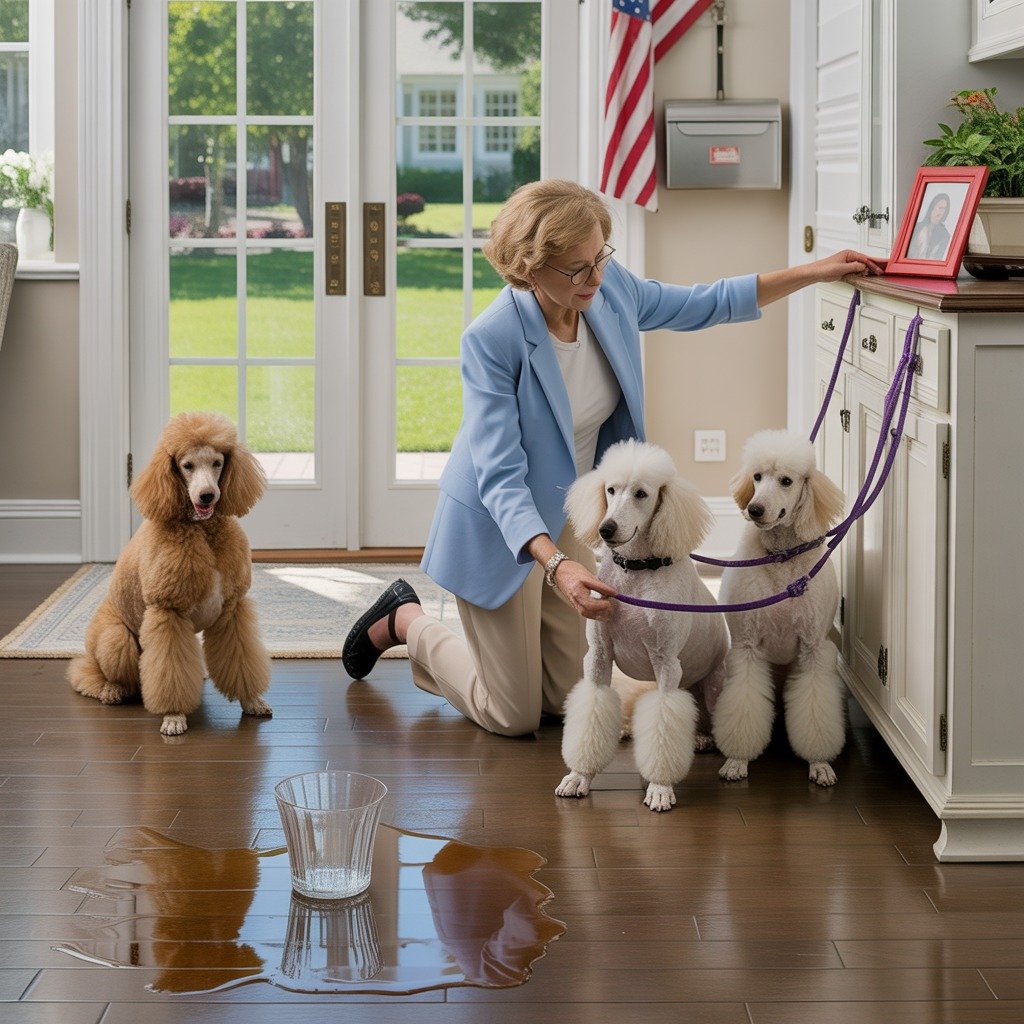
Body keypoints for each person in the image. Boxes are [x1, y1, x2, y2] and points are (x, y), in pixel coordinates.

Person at [342, 179, 883, 737]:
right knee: (514, 715)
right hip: (498, 527)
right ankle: (405, 620)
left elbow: (704, 302)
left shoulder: (608, 290)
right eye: (576, 269)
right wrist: (556, 566)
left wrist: (814, 272)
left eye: (600, 256)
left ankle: (470, 631)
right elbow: (501, 479)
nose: (595, 277)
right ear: (531, 270)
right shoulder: (493, 339)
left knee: (562, 697)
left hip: (575, 515)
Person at [908, 192, 952, 261]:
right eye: (940, 208)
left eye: (945, 209)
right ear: (932, 207)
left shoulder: (945, 235)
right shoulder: (916, 227)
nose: (942, 212)